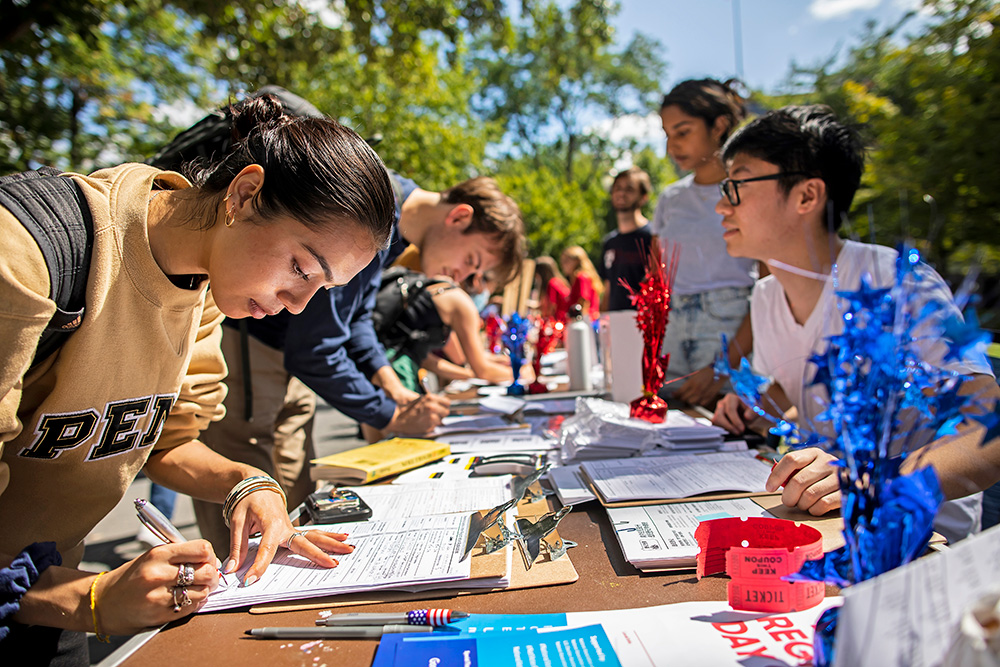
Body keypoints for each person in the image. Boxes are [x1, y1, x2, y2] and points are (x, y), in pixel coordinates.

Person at [0, 95, 396, 662]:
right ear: (242, 194)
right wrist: (92, 599)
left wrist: (247, 482)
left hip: (43, 596)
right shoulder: (24, 253)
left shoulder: (203, 286)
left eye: (322, 289)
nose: (297, 304)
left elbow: (163, 439)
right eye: (301, 268)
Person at [187, 166, 526, 555]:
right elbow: (316, 346)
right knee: (249, 503)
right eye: (472, 260)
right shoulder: (375, 205)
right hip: (254, 338)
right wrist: (389, 415)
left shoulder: (395, 227)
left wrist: (390, 384)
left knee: (297, 491)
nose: (464, 277)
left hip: (287, 355)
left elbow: (354, 318)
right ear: (459, 216)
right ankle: (228, 601)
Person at [709, 104, 1000, 544]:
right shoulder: (765, 296)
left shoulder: (897, 283)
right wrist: (758, 405)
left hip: (919, 541)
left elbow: (986, 431)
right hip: (821, 527)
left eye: (736, 186)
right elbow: (796, 395)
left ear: (807, 196)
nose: (720, 206)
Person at [650, 78, 762, 407]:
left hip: (730, 335)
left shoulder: (750, 193)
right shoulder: (669, 199)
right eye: (668, 135)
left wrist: (723, 367)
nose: (672, 146)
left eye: (683, 132)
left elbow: (769, 292)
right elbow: (656, 282)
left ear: (719, 126)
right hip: (670, 337)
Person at [599, 167, 654, 312]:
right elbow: (608, 287)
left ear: (643, 197)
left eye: (629, 189)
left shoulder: (653, 237)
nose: (621, 193)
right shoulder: (609, 242)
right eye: (617, 188)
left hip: (645, 323)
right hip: (615, 323)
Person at [560, 246, 602, 322]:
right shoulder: (578, 277)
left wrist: (578, 320)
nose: (563, 265)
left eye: (566, 261)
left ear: (576, 261)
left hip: (585, 320)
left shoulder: (581, 277)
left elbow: (584, 299)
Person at [533, 256, 570, 321]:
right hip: (564, 318)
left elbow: (551, 307)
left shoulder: (552, 284)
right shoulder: (559, 282)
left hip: (559, 320)